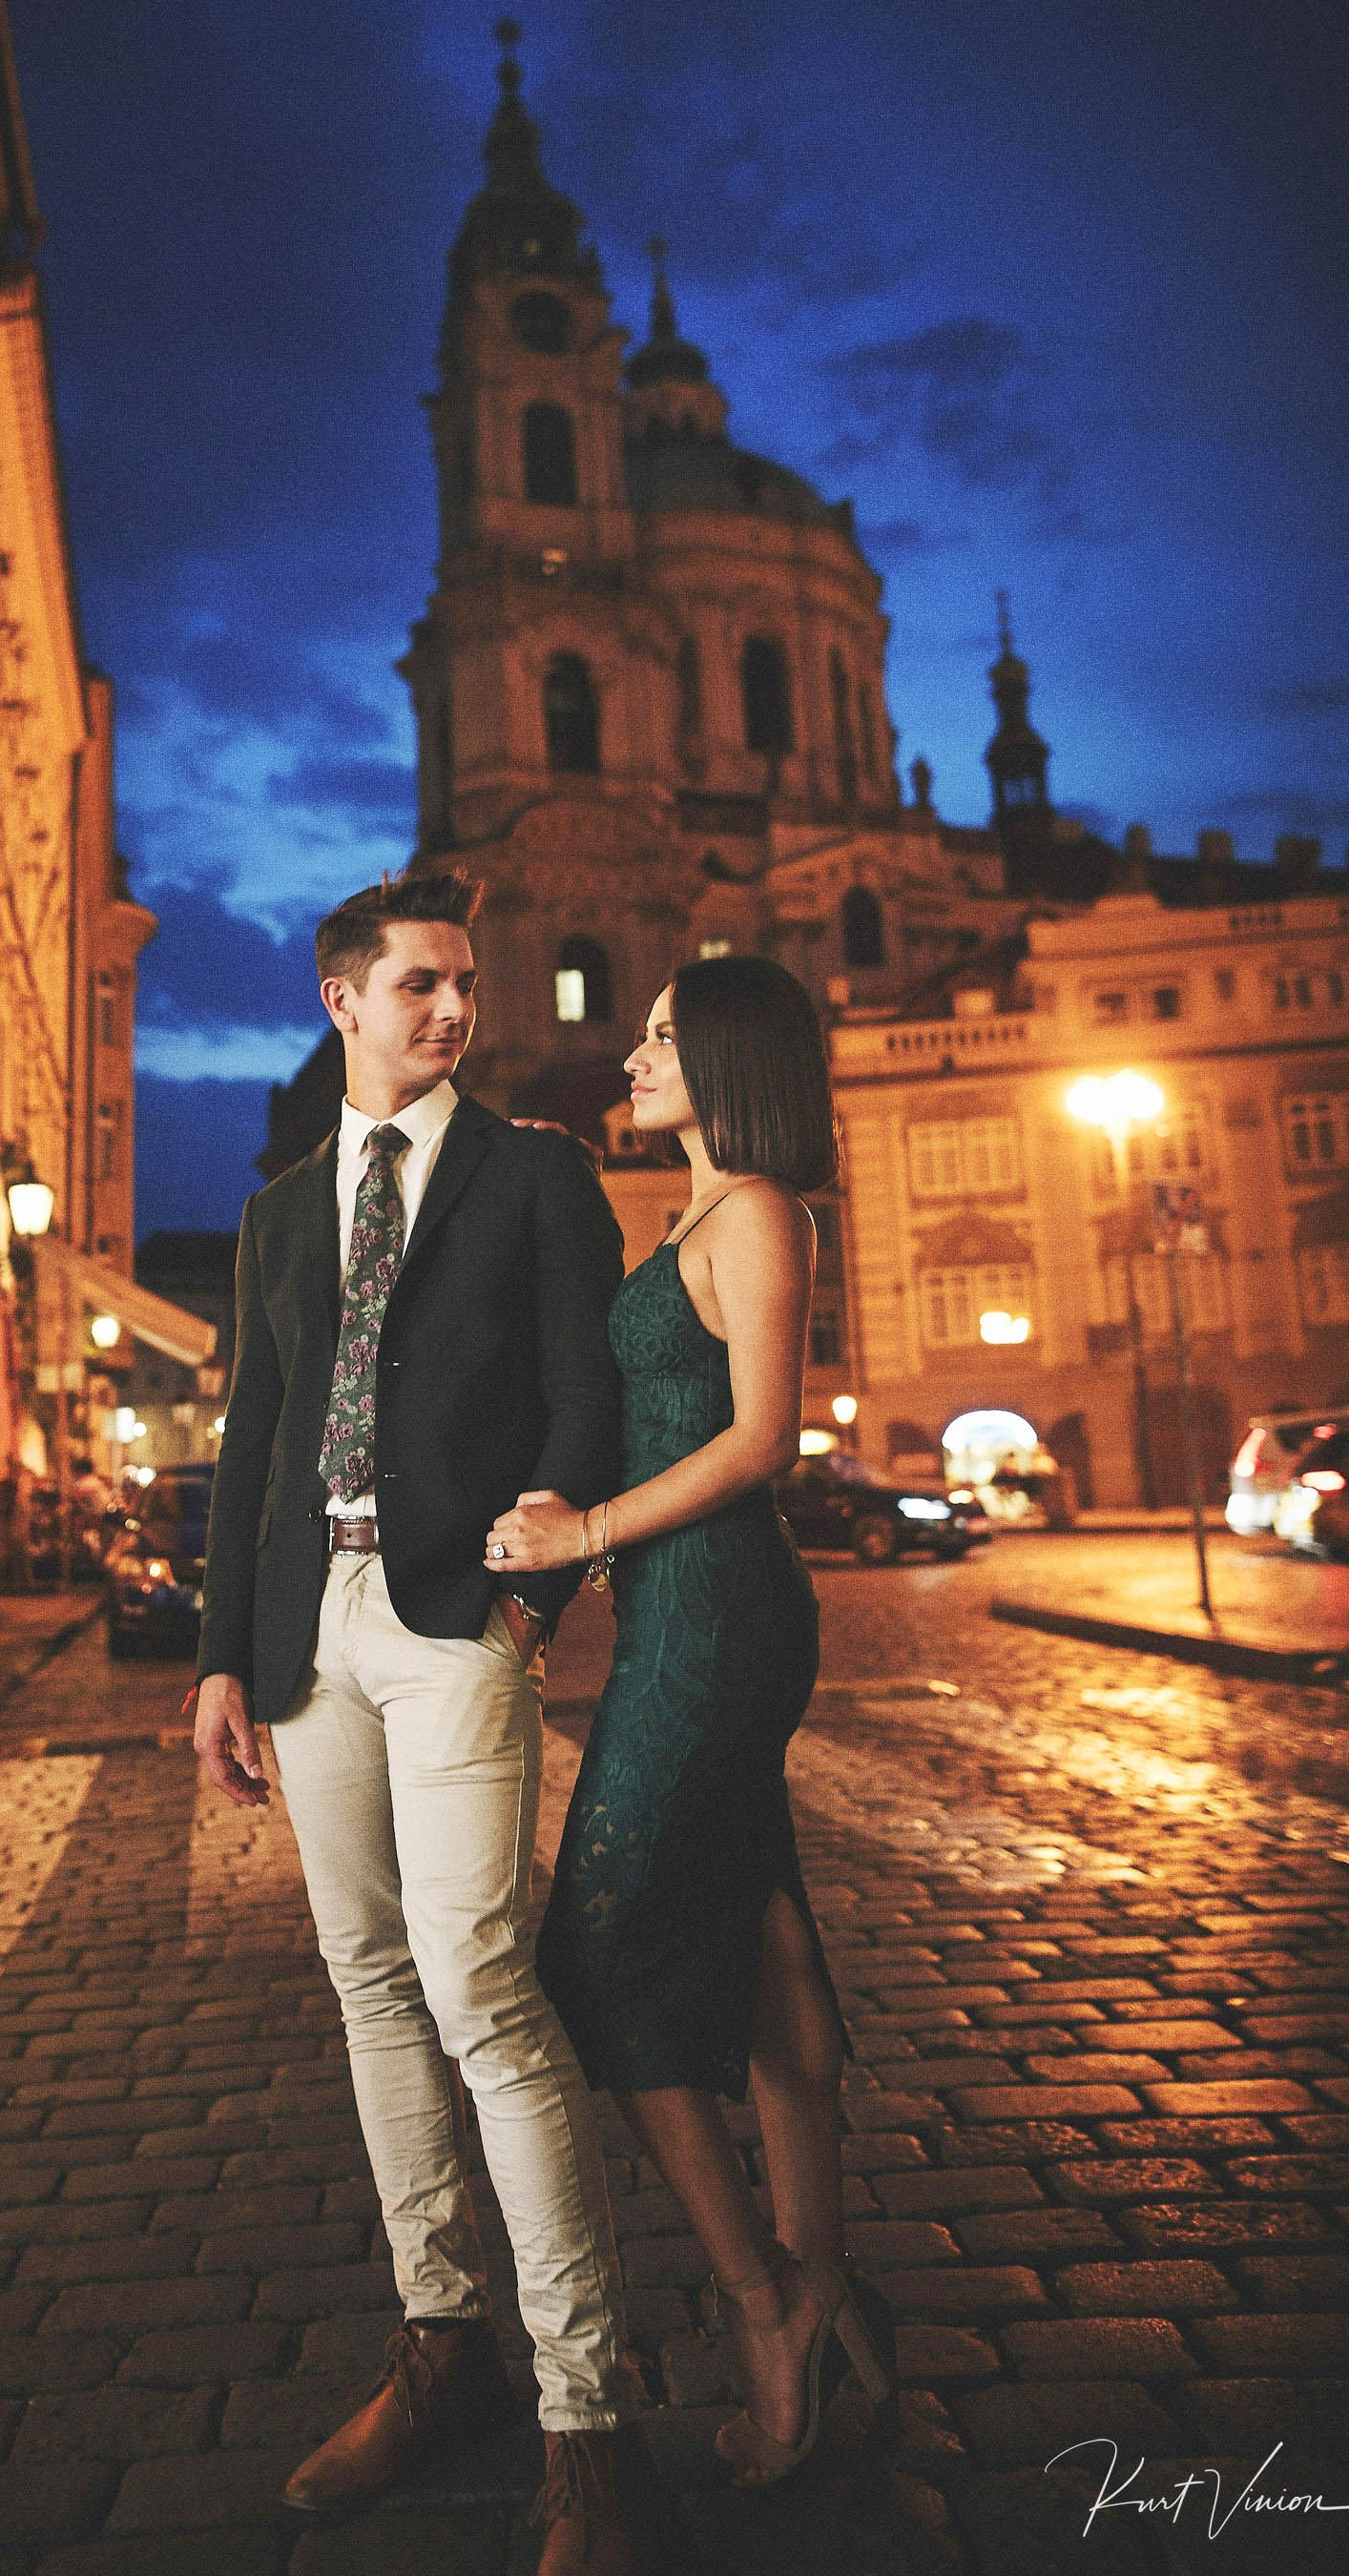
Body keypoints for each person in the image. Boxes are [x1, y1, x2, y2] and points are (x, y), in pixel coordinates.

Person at [193, 869, 662, 2573]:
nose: (455, 1009)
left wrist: (535, 1594)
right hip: (305, 1628)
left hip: (458, 1614)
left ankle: (586, 2415)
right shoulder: (273, 1209)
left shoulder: (536, 1170)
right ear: (342, 1000)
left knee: (479, 1980)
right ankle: (439, 2339)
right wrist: (220, 1659)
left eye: (465, 984)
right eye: (420, 986)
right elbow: (255, 1442)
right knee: (368, 1983)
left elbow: (581, 1389)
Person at [485, 956, 894, 2488]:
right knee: (771, 1941)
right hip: (681, 1614)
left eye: (661, 1038)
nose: (631, 1056)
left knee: (592, 1950)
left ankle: (764, 2307)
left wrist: (582, 1533)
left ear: (728, 1064)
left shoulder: (760, 1212)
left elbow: (765, 1438)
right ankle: (822, 2280)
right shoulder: (696, 1215)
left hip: (719, 1622)